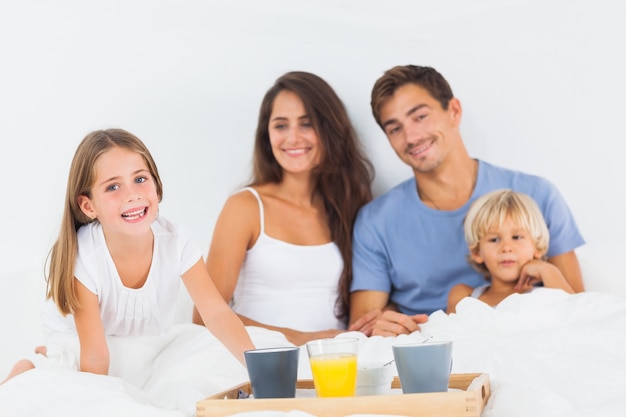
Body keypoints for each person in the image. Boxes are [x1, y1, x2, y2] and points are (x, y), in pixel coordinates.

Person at [1, 129, 255, 384]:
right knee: (60, 384)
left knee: (210, 357)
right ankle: (34, 369)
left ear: (156, 186)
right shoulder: (86, 256)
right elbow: (96, 357)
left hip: (146, 347)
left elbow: (216, 314)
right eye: (113, 186)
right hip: (85, 350)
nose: (132, 194)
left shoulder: (176, 241)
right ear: (89, 206)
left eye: (140, 179)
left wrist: (257, 366)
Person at [348, 65, 585, 337]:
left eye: (421, 117)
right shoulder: (375, 221)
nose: (411, 137)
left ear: (454, 111)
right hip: (430, 354)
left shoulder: (536, 195)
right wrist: (387, 323)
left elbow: (581, 309)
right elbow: (364, 326)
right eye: (394, 129)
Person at [192, 71, 374, 346]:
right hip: (259, 357)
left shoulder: (350, 208)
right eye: (280, 125)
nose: (293, 138)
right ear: (267, 135)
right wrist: (304, 339)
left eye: (306, 124)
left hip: (331, 362)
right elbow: (203, 317)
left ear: (330, 129)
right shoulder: (246, 207)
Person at [446, 189, 574, 314]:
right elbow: (447, 331)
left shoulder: (544, 295)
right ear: (477, 253)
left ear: (538, 247)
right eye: (494, 239)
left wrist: (548, 270)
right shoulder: (464, 295)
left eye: (516, 237)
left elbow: (577, 314)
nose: (506, 247)